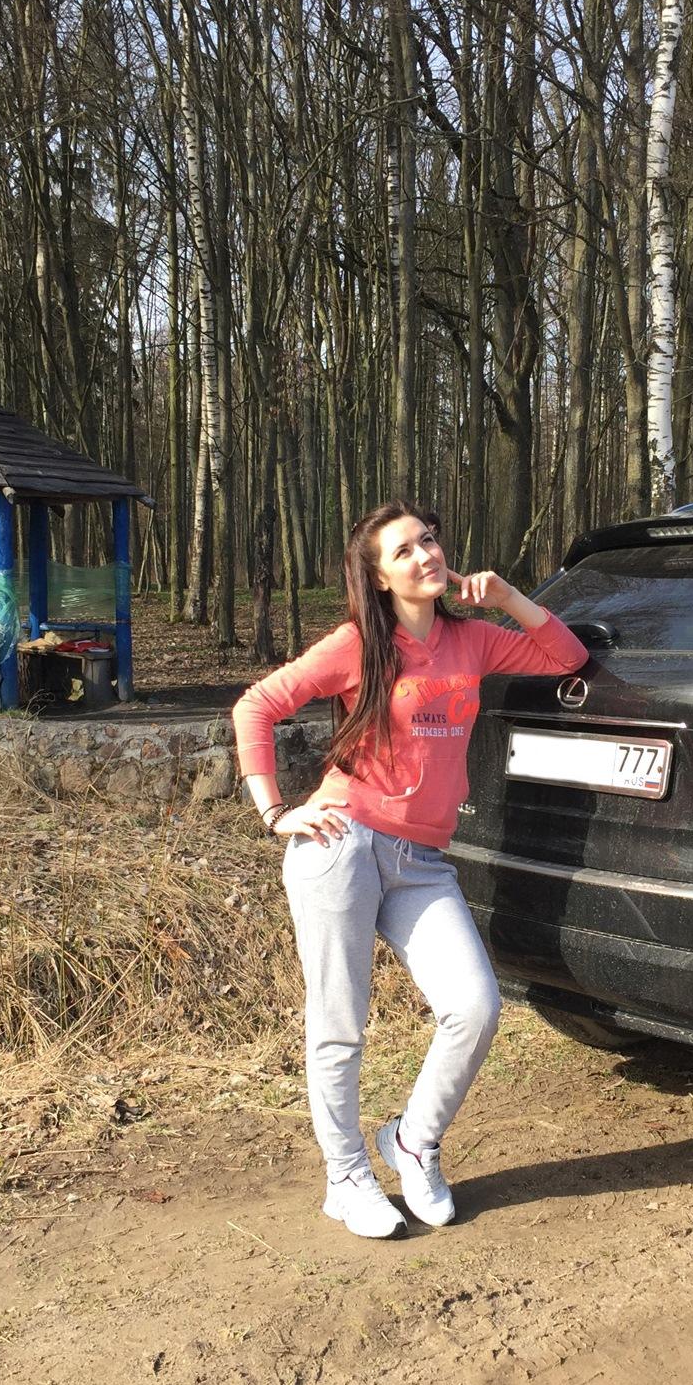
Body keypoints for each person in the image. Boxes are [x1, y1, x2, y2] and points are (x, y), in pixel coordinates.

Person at [232, 501, 588, 1239]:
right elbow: (256, 707)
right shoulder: (358, 644)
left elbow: (568, 659)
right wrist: (274, 811)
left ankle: (413, 1142)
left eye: (429, 540)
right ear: (379, 578)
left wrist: (509, 598)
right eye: (404, 551)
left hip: (421, 860)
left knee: (475, 1006)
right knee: (339, 1027)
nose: (426, 555)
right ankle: (345, 1177)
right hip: (343, 844)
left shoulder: (473, 639)